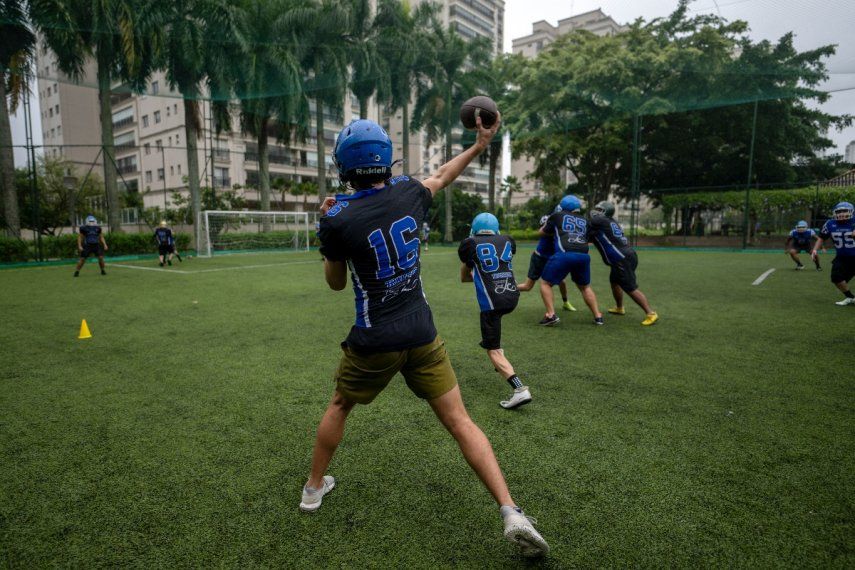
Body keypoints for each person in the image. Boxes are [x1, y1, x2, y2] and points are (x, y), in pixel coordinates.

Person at [302, 117, 549, 557]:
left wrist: (328, 227)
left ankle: (313, 489)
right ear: (385, 159)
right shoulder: (410, 193)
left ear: (344, 165)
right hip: (422, 332)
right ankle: (511, 510)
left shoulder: (337, 217)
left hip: (374, 338)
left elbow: (336, 283)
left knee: (340, 405)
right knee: (460, 421)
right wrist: (480, 144)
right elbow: (443, 175)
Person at [458, 213, 531, 410]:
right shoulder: (507, 239)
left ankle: (519, 389)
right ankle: (500, 359)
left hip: (493, 302)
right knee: (495, 338)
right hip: (512, 295)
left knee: (493, 350)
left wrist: (470, 266)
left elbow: (464, 277)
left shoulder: (469, 243)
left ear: (474, 228)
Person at [588, 201, 658, 326]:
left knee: (629, 287)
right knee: (615, 282)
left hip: (621, 258)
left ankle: (651, 313)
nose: (596, 212)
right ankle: (619, 308)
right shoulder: (611, 222)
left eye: (600, 210)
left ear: (605, 212)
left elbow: (588, 227)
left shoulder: (601, 222)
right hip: (627, 254)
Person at [538, 195, 603, 326]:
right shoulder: (585, 220)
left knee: (545, 283)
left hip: (564, 254)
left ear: (563, 206)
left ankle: (551, 315)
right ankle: (598, 316)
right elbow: (588, 239)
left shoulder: (557, 216)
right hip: (584, 256)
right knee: (585, 287)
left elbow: (541, 232)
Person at [516, 211, 577, 314]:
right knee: (527, 286)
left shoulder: (558, 230)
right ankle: (506, 290)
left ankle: (565, 302)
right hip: (539, 258)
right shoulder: (549, 230)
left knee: (562, 281)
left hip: (552, 259)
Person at [812, 202, 855, 306]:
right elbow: (821, 238)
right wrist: (815, 250)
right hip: (842, 257)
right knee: (836, 278)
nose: (841, 214)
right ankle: (850, 297)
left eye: (844, 211)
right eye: (839, 212)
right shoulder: (830, 223)